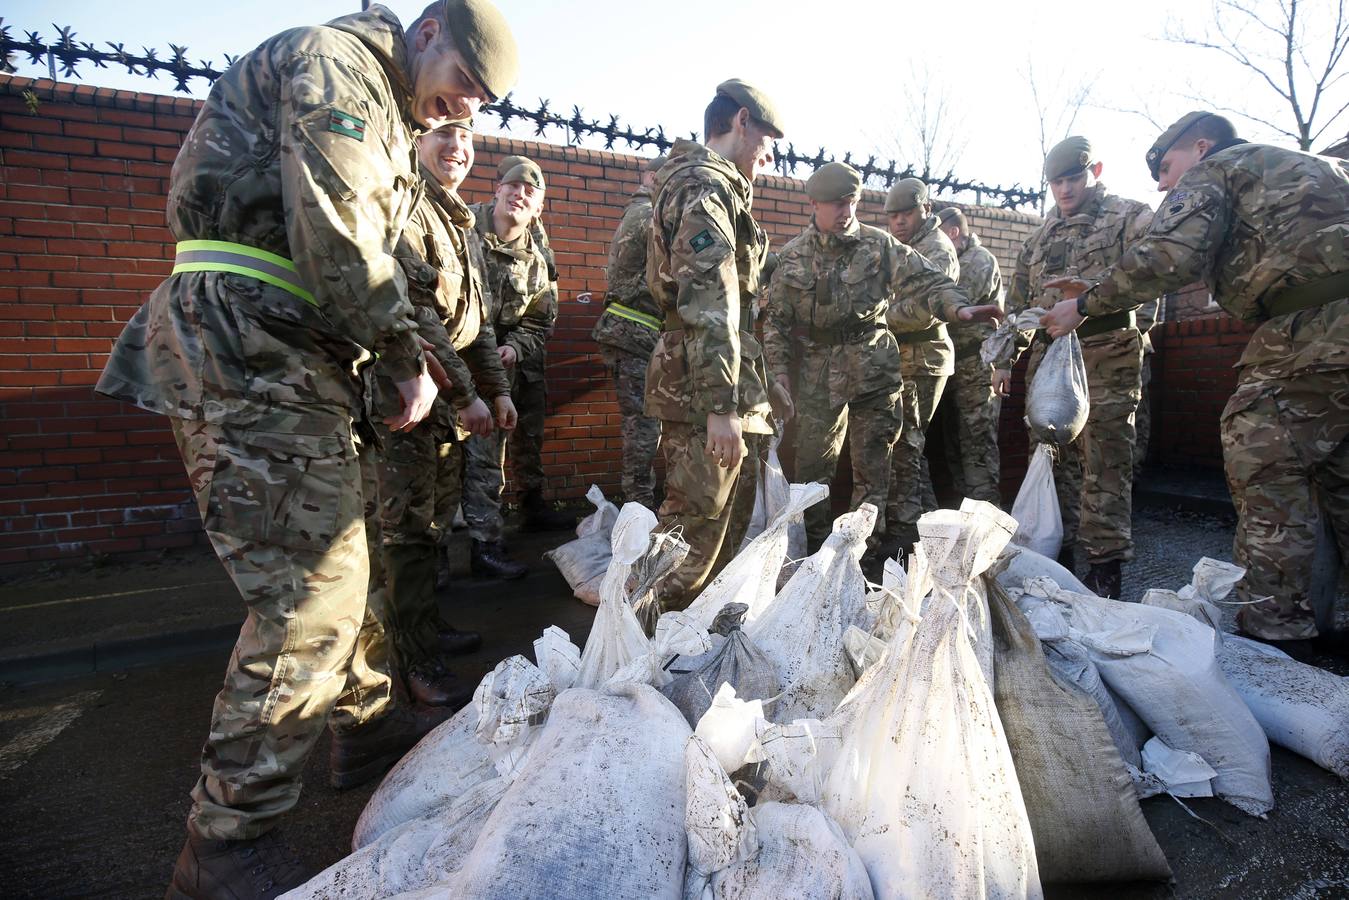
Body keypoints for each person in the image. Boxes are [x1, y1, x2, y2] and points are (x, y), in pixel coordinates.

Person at [93, 0, 518, 894]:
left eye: (484, 102)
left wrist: (452, 378)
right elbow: (337, 228)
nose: (467, 110)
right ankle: (225, 844)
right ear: (429, 32)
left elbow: (400, 268)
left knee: (343, 555)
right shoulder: (340, 66)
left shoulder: (390, 114)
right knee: (309, 602)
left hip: (293, 349)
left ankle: (360, 726)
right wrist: (403, 358)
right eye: (465, 86)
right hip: (252, 339)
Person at [1041, 111, 1348, 656]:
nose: (1162, 182)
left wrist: (1084, 305)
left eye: (1165, 166)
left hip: (1316, 331)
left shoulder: (1221, 168)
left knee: (1264, 450)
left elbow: (1168, 256)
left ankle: (1278, 632)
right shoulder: (1316, 169)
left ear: (1199, 147)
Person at [762, 164, 1003, 560]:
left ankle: (866, 558)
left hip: (874, 369)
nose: (845, 211)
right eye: (836, 204)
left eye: (851, 202)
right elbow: (777, 324)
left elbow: (930, 282)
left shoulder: (878, 246)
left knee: (874, 472)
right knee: (812, 472)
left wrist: (958, 310)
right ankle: (816, 558)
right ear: (814, 205)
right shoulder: (792, 257)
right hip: (818, 376)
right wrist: (781, 375)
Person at [374, 115, 517, 708]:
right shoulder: (408, 206)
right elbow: (420, 317)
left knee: (434, 520)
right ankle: (410, 658)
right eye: (444, 134)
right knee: (405, 530)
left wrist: (498, 388)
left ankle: (426, 629)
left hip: (447, 396)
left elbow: (474, 323)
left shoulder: (459, 221)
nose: (457, 147)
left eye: (467, 138)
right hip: (410, 391)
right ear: (417, 142)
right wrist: (467, 394)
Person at [989, 136, 1155, 599]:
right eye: (1056, 182)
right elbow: (1020, 305)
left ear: (1095, 171)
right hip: (1049, 365)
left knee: (1105, 465)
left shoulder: (1128, 216)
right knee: (1049, 458)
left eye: (1073, 178)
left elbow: (1154, 274)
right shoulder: (1039, 238)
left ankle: (1104, 574)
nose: (1064, 190)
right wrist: (1005, 361)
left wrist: (1130, 328)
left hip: (1109, 357)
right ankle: (1050, 564)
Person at [644, 79, 783, 611]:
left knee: (718, 533)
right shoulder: (704, 186)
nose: (769, 156)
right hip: (704, 390)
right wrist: (721, 406)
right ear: (741, 121)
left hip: (719, 381)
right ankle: (636, 663)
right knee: (691, 540)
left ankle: (685, 651)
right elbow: (709, 298)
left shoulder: (714, 186)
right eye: (767, 139)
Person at [462, 157, 561, 579]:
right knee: (477, 455)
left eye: (530, 192)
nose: (519, 194)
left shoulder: (537, 259)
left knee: (504, 448)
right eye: (513, 186)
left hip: (511, 361)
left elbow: (542, 317)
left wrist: (516, 348)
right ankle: (481, 545)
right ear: (497, 190)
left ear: (538, 206)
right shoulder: (464, 230)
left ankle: (501, 528)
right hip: (463, 357)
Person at [884, 178, 960, 550]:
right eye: (893, 215)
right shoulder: (902, 246)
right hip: (901, 358)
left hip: (923, 360)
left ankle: (905, 543)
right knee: (909, 450)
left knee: (906, 449)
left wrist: (877, 315)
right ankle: (935, 536)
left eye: (907, 213)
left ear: (926, 210)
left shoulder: (936, 248)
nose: (898, 221)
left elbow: (928, 310)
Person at [593, 154, 669, 510]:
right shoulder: (648, 216)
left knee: (644, 422)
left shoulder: (641, 212)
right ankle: (638, 507)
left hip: (636, 333)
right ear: (652, 176)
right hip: (633, 333)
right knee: (642, 426)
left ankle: (639, 504)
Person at [935, 206, 1005, 505]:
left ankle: (987, 519)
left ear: (953, 232)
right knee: (955, 445)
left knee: (977, 447)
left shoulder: (978, 260)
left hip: (975, 365)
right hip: (955, 364)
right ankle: (966, 524)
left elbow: (953, 305)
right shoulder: (956, 260)